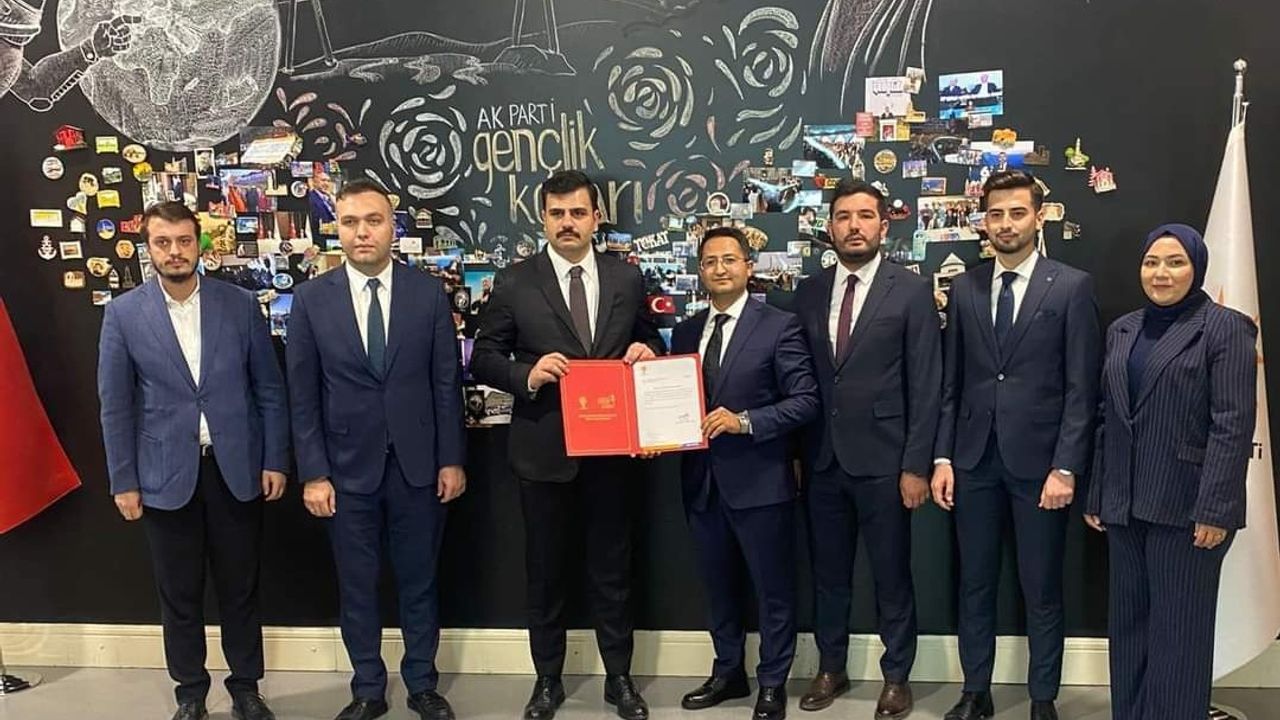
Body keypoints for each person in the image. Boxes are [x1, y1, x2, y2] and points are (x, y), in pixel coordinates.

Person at [470, 170, 665, 720]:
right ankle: (547, 681)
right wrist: (527, 374)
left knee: (613, 571)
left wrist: (646, 352)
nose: (567, 223)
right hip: (543, 452)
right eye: (557, 214)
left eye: (578, 213)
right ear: (543, 218)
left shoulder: (627, 278)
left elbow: (648, 337)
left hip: (613, 452)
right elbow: (483, 357)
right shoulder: (515, 282)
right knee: (545, 574)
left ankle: (619, 679)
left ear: (596, 218)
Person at [97, 201, 289, 720]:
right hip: (163, 476)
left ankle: (246, 688)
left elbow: (269, 390)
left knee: (241, 589)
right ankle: (190, 693)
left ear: (198, 243)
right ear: (149, 247)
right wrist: (123, 481)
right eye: (163, 242)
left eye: (184, 241)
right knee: (179, 594)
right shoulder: (123, 314)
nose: (175, 252)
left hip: (236, 470)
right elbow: (115, 405)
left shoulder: (240, 305)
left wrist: (275, 458)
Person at [286, 178, 466, 720]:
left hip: (418, 467)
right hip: (344, 472)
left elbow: (445, 384)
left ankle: (422, 685)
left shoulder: (426, 293)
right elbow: (302, 394)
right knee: (357, 586)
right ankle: (367, 688)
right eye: (350, 222)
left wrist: (451, 459)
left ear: (393, 226)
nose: (362, 232)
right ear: (336, 229)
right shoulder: (312, 299)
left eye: (373, 220)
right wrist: (313, 473)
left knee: (419, 583)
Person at [930, 170, 1101, 720]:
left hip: (1041, 467)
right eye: (996, 214)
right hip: (973, 461)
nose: (1006, 224)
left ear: (1038, 217)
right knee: (974, 584)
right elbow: (951, 384)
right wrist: (942, 457)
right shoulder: (965, 287)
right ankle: (974, 692)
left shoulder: (1070, 286)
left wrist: (1066, 467)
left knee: (1041, 587)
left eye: (1017, 213)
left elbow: (1081, 387)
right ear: (983, 221)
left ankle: (1043, 698)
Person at [1084, 224, 1257, 720]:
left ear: (1196, 267)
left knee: (1179, 635)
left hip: (1188, 508)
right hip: (1124, 504)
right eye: (1152, 262)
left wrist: (1216, 509)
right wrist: (1098, 493)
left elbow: (1232, 424)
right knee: (1129, 629)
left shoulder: (1226, 327)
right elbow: (1106, 417)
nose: (1161, 273)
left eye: (1175, 262)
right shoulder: (1123, 328)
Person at [792, 180, 941, 718]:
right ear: (830, 227)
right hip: (821, 460)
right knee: (828, 576)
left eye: (864, 216)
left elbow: (926, 382)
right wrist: (795, 455)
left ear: (884, 224)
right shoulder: (808, 292)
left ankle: (896, 676)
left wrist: (915, 465)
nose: (854, 226)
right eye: (843, 216)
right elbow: (800, 380)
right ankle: (830, 667)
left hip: (886, 462)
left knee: (891, 577)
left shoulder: (911, 290)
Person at [671, 227, 819, 720]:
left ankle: (772, 682)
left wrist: (745, 421)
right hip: (701, 482)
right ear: (700, 270)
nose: (720, 269)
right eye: (710, 261)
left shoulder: (779, 326)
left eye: (729, 260)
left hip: (761, 481)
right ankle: (728, 671)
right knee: (718, 587)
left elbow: (806, 400)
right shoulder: (687, 331)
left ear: (748, 267)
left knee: (773, 590)